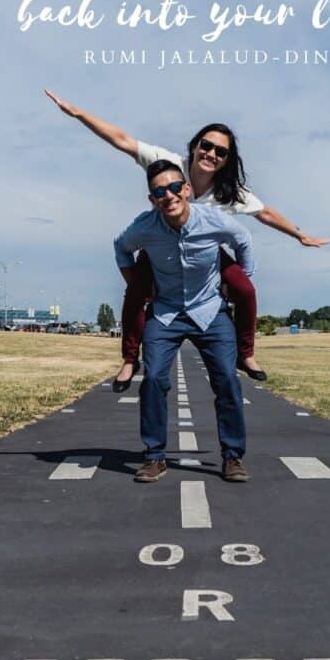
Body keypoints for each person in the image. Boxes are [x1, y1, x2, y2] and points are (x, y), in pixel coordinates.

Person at [44, 90, 330, 388]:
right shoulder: (168, 164)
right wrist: (79, 114)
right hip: (161, 245)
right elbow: (122, 140)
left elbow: (265, 213)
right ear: (195, 147)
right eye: (206, 146)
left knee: (245, 289)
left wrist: (299, 235)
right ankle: (129, 360)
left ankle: (245, 354)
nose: (211, 154)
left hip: (206, 255)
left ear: (226, 160)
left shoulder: (228, 190)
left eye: (221, 152)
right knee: (135, 292)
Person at [114, 159, 252, 484]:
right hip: (165, 312)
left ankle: (232, 456)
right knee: (153, 381)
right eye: (159, 191)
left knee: (227, 382)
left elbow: (243, 240)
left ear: (186, 190)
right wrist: (135, 283)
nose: (169, 195)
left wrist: (239, 282)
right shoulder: (143, 227)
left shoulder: (213, 220)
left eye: (175, 187)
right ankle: (154, 457)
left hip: (210, 311)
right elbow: (120, 248)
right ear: (152, 199)